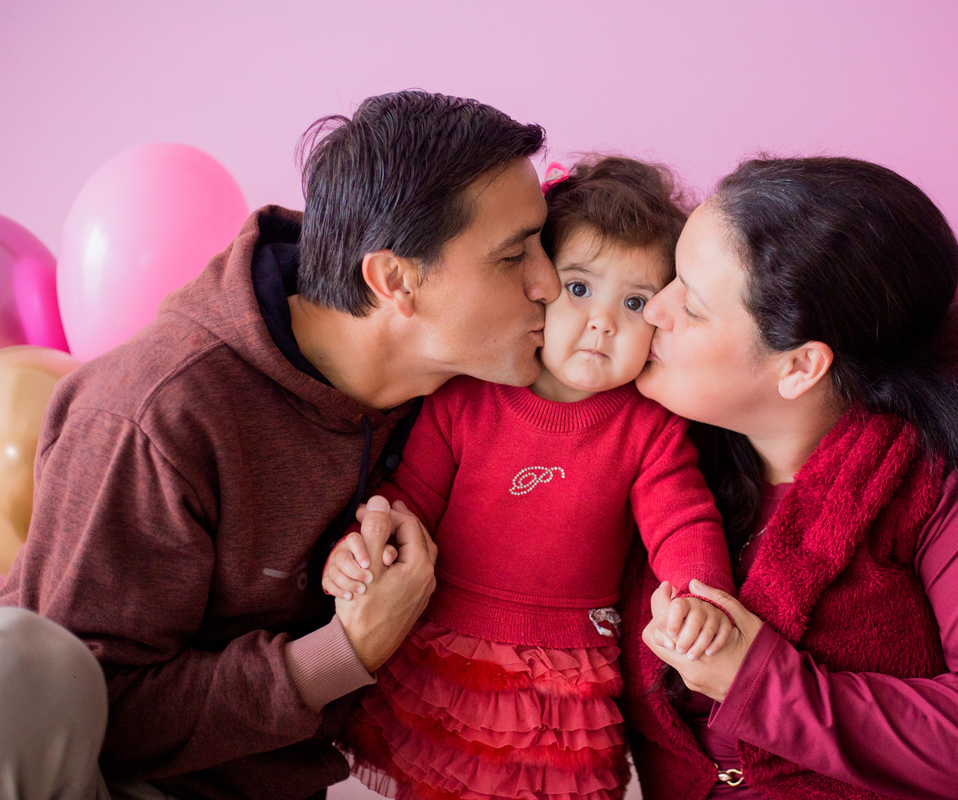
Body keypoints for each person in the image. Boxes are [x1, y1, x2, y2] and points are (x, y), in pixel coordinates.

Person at [0, 90, 560, 800]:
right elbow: (93, 709)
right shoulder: (155, 413)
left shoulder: (462, 381)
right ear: (394, 281)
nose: (548, 283)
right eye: (513, 258)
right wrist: (340, 654)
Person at [617, 157, 958, 799]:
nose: (654, 308)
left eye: (692, 300)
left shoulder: (950, 470)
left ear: (800, 366)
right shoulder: (657, 430)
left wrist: (761, 686)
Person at [320, 156, 737, 800]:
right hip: (443, 652)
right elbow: (409, 503)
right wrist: (360, 548)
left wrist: (698, 597)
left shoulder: (648, 426)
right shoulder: (468, 396)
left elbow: (682, 520)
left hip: (563, 678)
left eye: (634, 302)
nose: (603, 322)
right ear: (537, 284)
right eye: (579, 289)